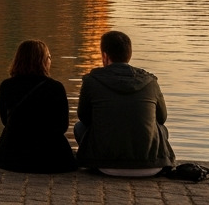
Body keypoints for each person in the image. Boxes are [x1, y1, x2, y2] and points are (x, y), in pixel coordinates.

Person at [75, 30, 175, 175]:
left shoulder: (91, 80)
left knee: (79, 127)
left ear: (105, 56)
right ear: (129, 55)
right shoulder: (150, 81)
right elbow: (162, 118)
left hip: (105, 166)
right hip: (151, 166)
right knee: (162, 128)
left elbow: (84, 118)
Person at [0, 40, 78, 173]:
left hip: (11, 156)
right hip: (49, 158)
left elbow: (6, 121)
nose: (50, 61)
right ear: (43, 61)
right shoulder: (55, 87)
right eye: (49, 57)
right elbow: (62, 126)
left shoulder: (6, 85)